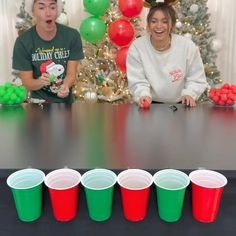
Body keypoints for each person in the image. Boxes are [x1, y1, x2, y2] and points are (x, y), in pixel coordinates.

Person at [127, 2, 208, 108]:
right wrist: (142, 95)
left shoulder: (187, 46)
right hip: (150, 105)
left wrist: (190, 93)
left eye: (165, 22)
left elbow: (196, 78)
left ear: (172, 25)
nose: (159, 26)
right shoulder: (137, 47)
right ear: (148, 24)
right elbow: (137, 80)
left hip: (181, 105)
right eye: (154, 21)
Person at [12, 0, 84, 103]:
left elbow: (71, 74)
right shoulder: (23, 41)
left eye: (52, 7)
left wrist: (65, 86)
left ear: (57, 10)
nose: (48, 13)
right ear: (33, 11)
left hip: (65, 105)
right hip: (38, 104)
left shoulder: (72, 36)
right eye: (41, 8)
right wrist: (39, 82)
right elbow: (27, 82)